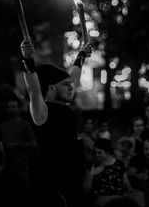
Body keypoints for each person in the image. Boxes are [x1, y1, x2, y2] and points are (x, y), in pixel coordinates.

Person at [20, 40, 92, 207]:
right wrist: (26, 59)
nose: (71, 88)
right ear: (51, 88)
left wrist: (81, 55)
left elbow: (72, 76)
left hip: (72, 181)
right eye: (66, 85)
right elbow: (34, 88)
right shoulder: (41, 112)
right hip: (51, 187)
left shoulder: (64, 107)